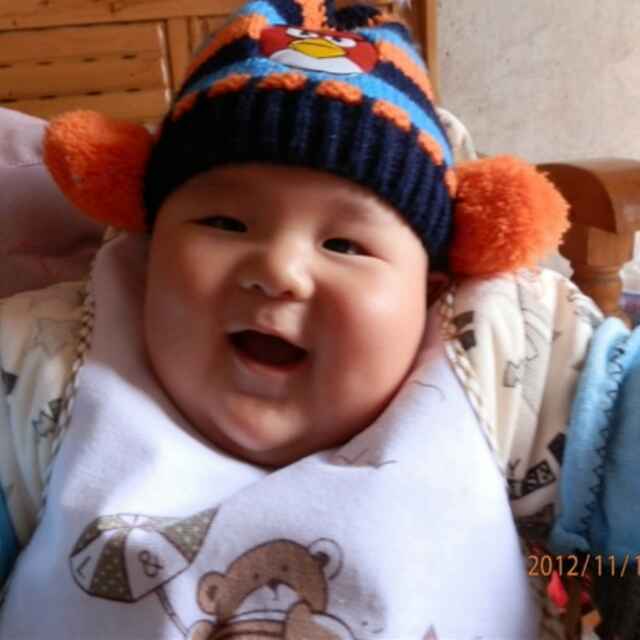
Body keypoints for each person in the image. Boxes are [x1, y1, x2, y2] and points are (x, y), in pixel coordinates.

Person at [0, 1, 638, 638]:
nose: (278, 270)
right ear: (150, 256)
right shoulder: (49, 363)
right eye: (224, 223)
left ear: (427, 293)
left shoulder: (499, 354)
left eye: (345, 245)